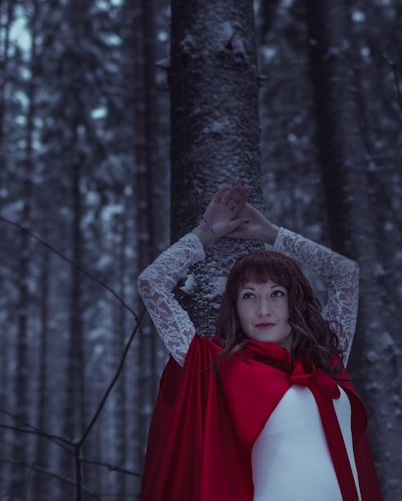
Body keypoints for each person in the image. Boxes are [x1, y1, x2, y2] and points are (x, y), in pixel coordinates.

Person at [137, 185, 382, 501]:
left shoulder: (328, 360)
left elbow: (346, 274)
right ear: (236, 309)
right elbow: (152, 283)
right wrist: (205, 233)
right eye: (249, 296)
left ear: (294, 301)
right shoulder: (219, 366)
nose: (263, 310)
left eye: (276, 294)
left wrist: (272, 233)